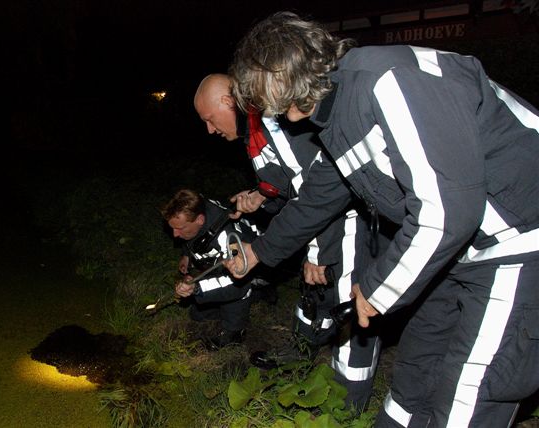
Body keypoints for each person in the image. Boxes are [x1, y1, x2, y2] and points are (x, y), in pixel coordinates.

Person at [225, 10, 539, 427]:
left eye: (259, 95)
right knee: (418, 366)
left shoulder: (389, 82)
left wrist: (376, 288)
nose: (263, 110)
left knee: (470, 392)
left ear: (279, 76)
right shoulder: (336, 116)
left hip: (518, 239)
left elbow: (445, 213)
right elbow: (319, 197)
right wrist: (258, 252)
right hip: (460, 251)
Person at [194, 73, 395, 412]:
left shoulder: (271, 122)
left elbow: (319, 190)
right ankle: (300, 353)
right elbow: (287, 184)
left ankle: (344, 408)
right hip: (318, 223)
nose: (210, 130)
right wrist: (261, 196)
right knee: (313, 293)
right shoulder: (253, 132)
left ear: (228, 102)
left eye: (209, 119)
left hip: (343, 219)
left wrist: (319, 252)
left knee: (348, 303)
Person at [161, 188, 261, 350]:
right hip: (222, 262)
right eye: (173, 228)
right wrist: (187, 255)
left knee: (238, 290)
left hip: (249, 272)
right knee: (197, 315)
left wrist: (197, 288)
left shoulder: (228, 239)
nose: (175, 234)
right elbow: (194, 238)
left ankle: (234, 331)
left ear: (200, 220)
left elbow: (236, 282)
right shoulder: (199, 208)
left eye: (180, 228)